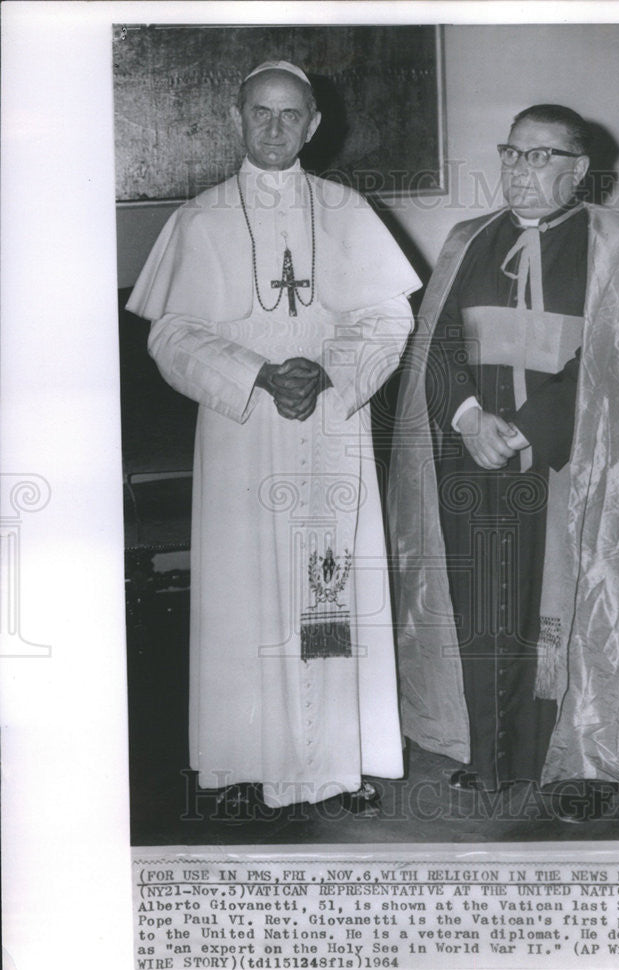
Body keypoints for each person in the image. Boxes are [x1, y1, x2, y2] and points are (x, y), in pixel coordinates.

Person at [388, 104, 619, 815]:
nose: (519, 169)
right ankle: (492, 756)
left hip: (574, 461)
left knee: (572, 607)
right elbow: (437, 345)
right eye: (512, 152)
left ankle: (579, 759)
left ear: (578, 170)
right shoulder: (465, 240)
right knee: (487, 608)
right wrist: (470, 418)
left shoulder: (617, 242)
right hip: (474, 459)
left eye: (539, 156)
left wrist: (525, 429)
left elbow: (614, 361)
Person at [127, 60, 420, 813]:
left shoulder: (347, 209)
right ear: (236, 117)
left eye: (292, 115)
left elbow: (389, 318)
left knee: (333, 590)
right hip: (243, 431)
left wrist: (327, 373)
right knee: (242, 597)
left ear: (315, 126)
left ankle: (341, 765)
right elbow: (173, 334)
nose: (276, 128)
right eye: (262, 112)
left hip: (331, 425)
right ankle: (240, 764)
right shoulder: (201, 218)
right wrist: (257, 372)